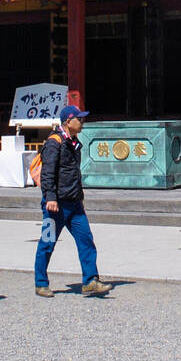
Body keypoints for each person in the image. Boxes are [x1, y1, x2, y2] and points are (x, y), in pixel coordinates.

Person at [34, 105, 112, 297]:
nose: (82, 121)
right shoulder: (54, 142)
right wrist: (50, 197)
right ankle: (41, 283)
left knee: (86, 239)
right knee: (47, 242)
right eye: (79, 119)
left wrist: (80, 197)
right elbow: (48, 173)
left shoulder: (73, 142)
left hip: (74, 203)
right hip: (55, 205)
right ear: (68, 121)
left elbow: (73, 174)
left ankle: (90, 280)